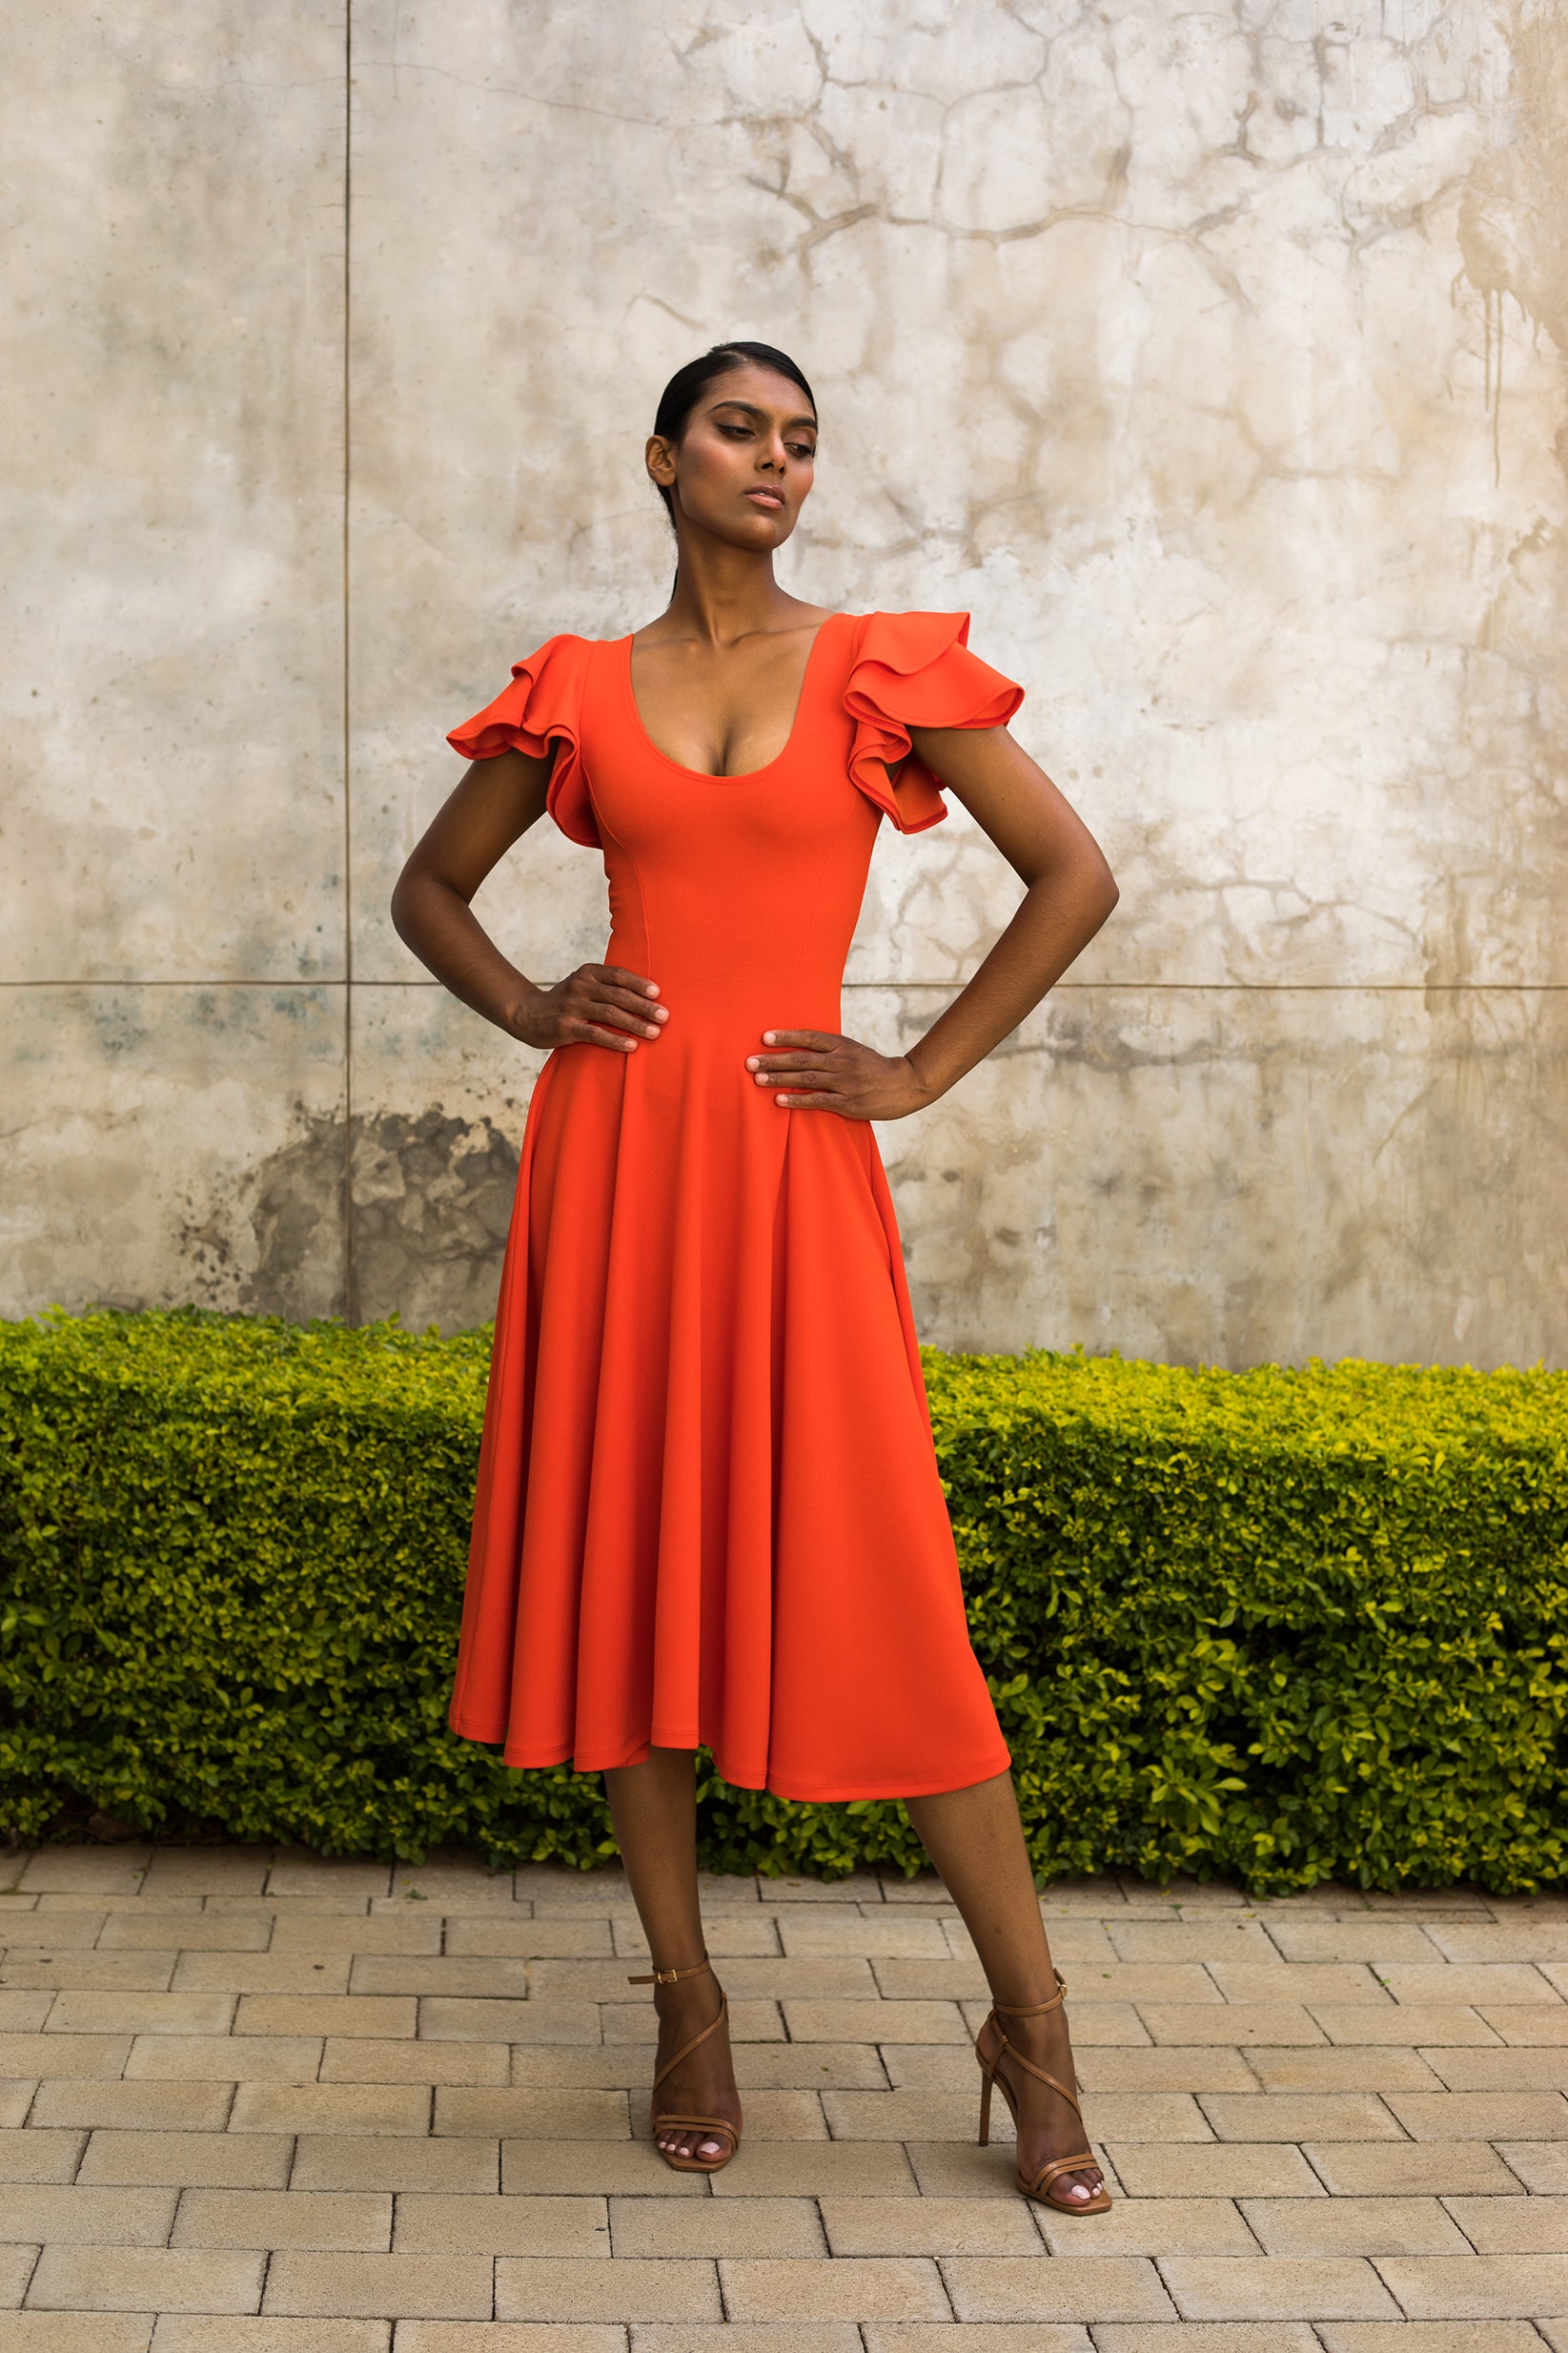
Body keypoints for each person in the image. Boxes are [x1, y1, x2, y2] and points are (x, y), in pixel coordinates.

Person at [391, 340, 1120, 2212]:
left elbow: (1070, 874)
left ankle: (1028, 2028)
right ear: (662, 456)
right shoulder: (577, 687)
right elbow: (429, 890)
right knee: (635, 1579)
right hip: (616, 1161)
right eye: (739, 428)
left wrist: (918, 1067)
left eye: (802, 438)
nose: (775, 460)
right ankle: (686, 2002)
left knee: (893, 1588)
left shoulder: (878, 666)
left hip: (795, 1169)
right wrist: (532, 1003)